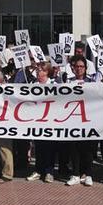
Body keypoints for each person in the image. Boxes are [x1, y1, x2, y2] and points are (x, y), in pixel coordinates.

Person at [62, 55, 96, 187]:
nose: (79, 69)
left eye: (82, 67)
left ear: (86, 68)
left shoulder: (92, 82)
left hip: (88, 119)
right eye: (76, 67)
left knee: (87, 148)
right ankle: (75, 174)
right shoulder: (68, 81)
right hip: (73, 119)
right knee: (74, 148)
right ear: (73, 68)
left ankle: (88, 174)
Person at [26, 62, 57, 183]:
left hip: (50, 120)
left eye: (41, 70)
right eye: (38, 70)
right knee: (38, 146)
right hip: (37, 120)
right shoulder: (33, 85)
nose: (39, 72)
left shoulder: (54, 84)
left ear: (47, 72)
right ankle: (38, 170)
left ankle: (49, 171)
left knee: (49, 147)